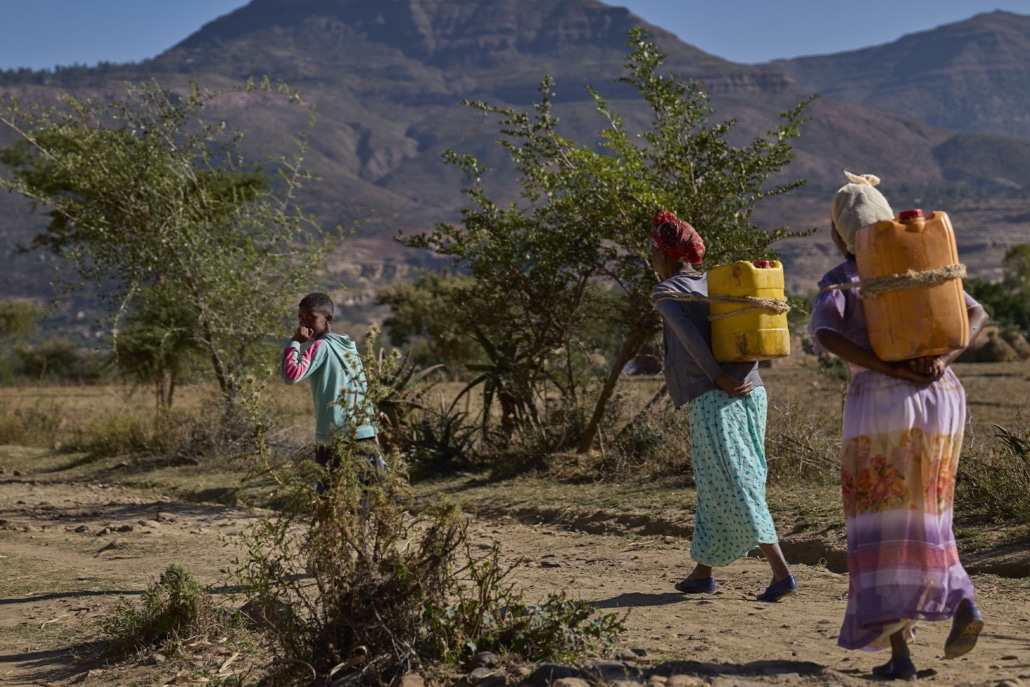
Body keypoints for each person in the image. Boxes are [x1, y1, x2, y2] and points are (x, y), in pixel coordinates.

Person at [807, 172, 988, 681]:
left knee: (881, 523)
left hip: (884, 406)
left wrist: (891, 369)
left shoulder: (844, 276)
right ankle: (959, 604)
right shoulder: (924, 263)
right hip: (942, 399)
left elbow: (827, 335)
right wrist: (940, 361)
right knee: (930, 511)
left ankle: (905, 654)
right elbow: (976, 315)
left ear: (842, 233)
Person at [649, 209, 796, 603]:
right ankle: (703, 572)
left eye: (653, 251)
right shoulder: (716, 284)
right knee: (718, 482)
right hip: (753, 391)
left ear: (664, 254)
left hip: (717, 396)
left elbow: (690, 341)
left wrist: (718, 380)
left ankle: (781, 572)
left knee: (736, 481)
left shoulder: (666, 292)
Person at [281, 292, 383, 492]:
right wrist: (372, 430)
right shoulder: (348, 347)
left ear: (327, 319)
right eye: (300, 318)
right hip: (362, 432)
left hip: (333, 436)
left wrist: (294, 342)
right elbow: (362, 388)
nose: (304, 323)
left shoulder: (320, 347)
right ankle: (358, 525)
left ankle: (341, 525)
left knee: (328, 495)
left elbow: (291, 375)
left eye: (311, 318)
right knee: (363, 493)